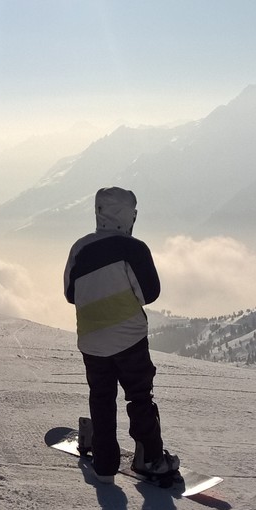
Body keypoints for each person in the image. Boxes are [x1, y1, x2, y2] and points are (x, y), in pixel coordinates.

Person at [63, 186, 177, 483]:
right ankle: (150, 459)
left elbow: (71, 294)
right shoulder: (134, 249)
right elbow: (149, 293)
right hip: (129, 339)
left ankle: (104, 465)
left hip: (91, 340)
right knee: (139, 397)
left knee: (101, 398)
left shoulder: (80, 248)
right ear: (128, 215)